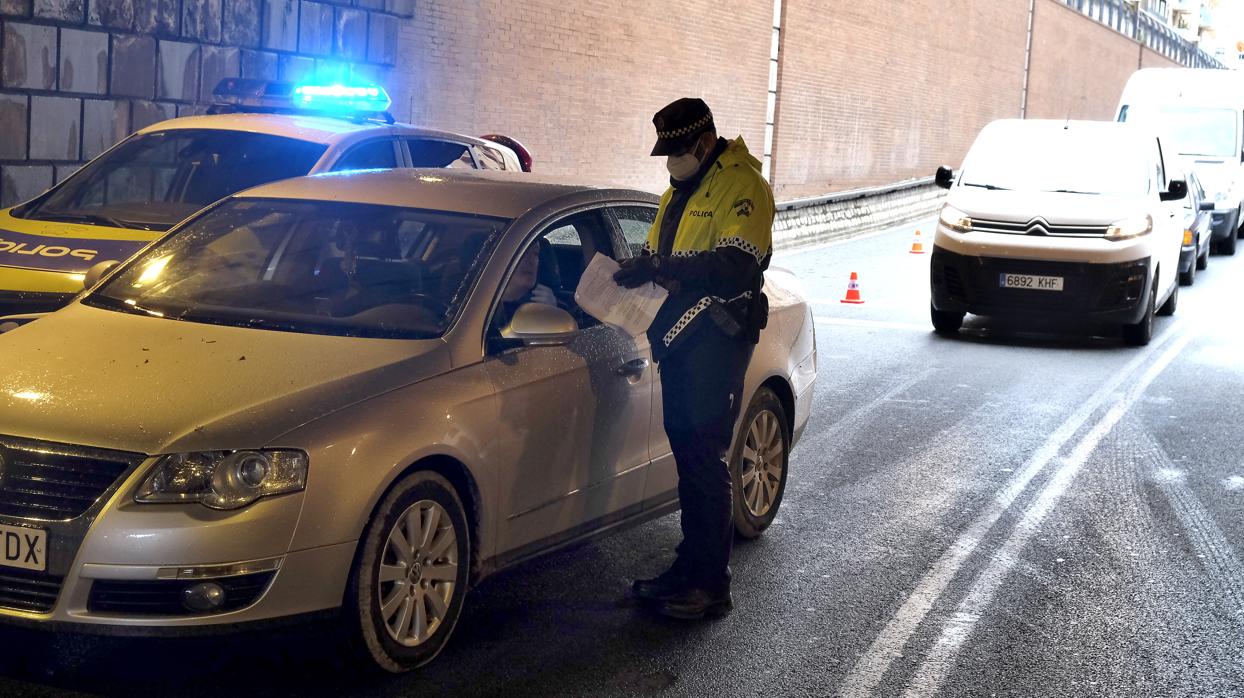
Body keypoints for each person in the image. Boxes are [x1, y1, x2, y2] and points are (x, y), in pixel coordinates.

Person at [614, 97, 774, 620]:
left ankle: (710, 585)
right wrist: (640, 267)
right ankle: (689, 568)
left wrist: (662, 264)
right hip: (679, 340)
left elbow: (734, 266)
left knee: (705, 458)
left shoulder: (745, 187)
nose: (671, 161)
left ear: (704, 142)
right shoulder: (675, 194)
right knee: (687, 454)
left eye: (679, 150)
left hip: (718, 340)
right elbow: (664, 259)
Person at [493, 242, 560, 334]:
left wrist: (552, 316)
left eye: (535, 253)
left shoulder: (551, 304)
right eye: (523, 253)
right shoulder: (478, 305)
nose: (532, 261)